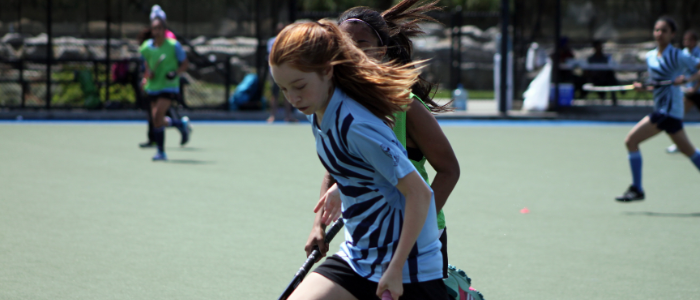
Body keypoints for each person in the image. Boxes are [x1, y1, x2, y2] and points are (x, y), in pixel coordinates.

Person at [270, 20, 448, 300]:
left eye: (299, 86)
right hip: (358, 256)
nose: (292, 97)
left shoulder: (357, 125)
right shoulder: (317, 112)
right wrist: (339, 191)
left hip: (407, 266)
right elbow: (357, 167)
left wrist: (396, 267)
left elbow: (420, 193)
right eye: (283, 89)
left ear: (327, 71)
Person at [306, 0, 460, 284]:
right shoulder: (337, 106)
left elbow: (449, 169)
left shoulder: (407, 106)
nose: (352, 52)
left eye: (362, 44)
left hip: (419, 242)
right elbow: (336, 165)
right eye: (344, 45)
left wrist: (419, 227)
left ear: (382, 51)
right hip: (366, 236)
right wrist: (318, 225)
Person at [616, 17, 700, 201]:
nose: (659, 34)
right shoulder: (650, 57)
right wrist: (644, 87)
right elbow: (657, 84)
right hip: (668, 112)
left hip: (668, 111)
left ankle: (637, 189)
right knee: (691, 152)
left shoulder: (679, 55)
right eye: (657, 30)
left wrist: (687, 79)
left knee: (631, 141)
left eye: (664, 30)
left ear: (672, 34)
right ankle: (637, 189)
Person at [138, 5, 191, 149]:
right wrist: (146, 77)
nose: (157, 31)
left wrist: (175, 73)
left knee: (157, 116)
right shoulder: (146, 47)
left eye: (160, 27)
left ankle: (160, 150)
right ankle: (180, 124)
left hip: (168, 85)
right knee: (156, 118)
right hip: (154, 85)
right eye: (154, 27)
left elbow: (183, 62)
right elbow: (148, 64)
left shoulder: (172, 43)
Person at [667, 29, 700, 153]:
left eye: (689, 40)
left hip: (697, 91)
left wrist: (694, 87)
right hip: (690, 93)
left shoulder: (699, 53)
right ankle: (680, 144)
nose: (686, 42)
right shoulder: (684, 54)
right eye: (685, 40)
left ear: (694, 41)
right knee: (678, 116)